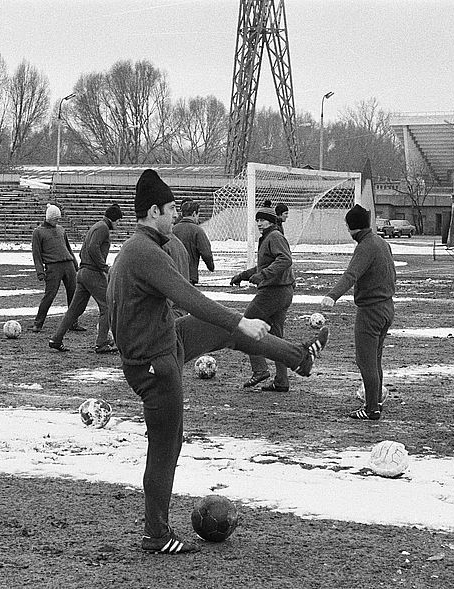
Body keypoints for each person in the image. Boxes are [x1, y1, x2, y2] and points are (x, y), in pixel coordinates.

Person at [107, 169, 329, 554]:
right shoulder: (142, 251)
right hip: (154, 363)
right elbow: (187, 296)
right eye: (172, 209)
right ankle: (155, 535)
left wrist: (234, 325)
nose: (177, 216)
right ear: (154, 210)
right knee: (166, 446)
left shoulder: (147, 245)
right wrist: (239, 318)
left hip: (165, 341)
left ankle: (297, 359)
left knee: (228, 333)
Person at [321, 204, 396, 421]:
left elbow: (351, 275)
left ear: (351, 227)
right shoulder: (382, 242)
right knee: (376, 359)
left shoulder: (365, 246)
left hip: (371, 310)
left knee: (366, 361)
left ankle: (371, 408)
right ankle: (376, 401)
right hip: (386, 306)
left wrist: (332, 295)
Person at [230, 204, 295, 392]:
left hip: (273, 292)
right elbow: (265, 265)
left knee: (246, 326)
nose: (259, 223)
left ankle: (260, 369)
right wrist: (243, 275)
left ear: (271, 221)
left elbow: (285, 259)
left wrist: (264, 275)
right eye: (257, 220)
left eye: (263, 220)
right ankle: (282, 380)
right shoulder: (269, 237)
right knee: (276, 337)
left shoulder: (274, 236)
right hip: (282, 291)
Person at [48, 203, 123, 353]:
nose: (119, 224)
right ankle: (101, 343)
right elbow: (93, 248)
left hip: (83, 272)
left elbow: (85, 249)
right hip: (92, 273)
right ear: (113, 219)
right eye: (119, 221)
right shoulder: (103, 228)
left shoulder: (96, 226)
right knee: (107, 306)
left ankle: (56, 339)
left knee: (75, 309)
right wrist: (104, 267)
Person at [31, 204, 83, 333]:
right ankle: (38, 323)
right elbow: (36, 254)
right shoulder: (38, 232)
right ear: (48, 218)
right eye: (55, 218)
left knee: (74, 293)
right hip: (53, 267)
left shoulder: (61, 230)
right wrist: (40, 272)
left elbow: (68, 248)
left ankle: (73, 322)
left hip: (68, 264)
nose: (57, 221)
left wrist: (75, 264)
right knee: (50, 295)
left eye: (58, 219)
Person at [170, 200, 214, 284]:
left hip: (173, 274)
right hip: (190, 275)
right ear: (194, 213)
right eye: (198, 215)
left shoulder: (172, 230)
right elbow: (206, 253)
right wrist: (210, 266)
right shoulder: (198, 231)